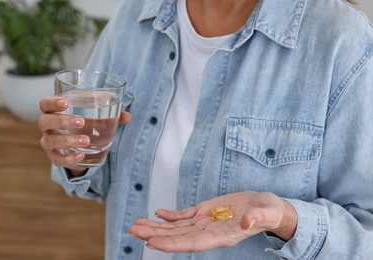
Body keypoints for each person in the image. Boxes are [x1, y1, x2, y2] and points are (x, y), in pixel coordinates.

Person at [39, 0, 373, 259]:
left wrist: (284, 218)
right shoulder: (134, 15)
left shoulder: (341, 40)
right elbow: (95, 176)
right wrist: (75, 153)